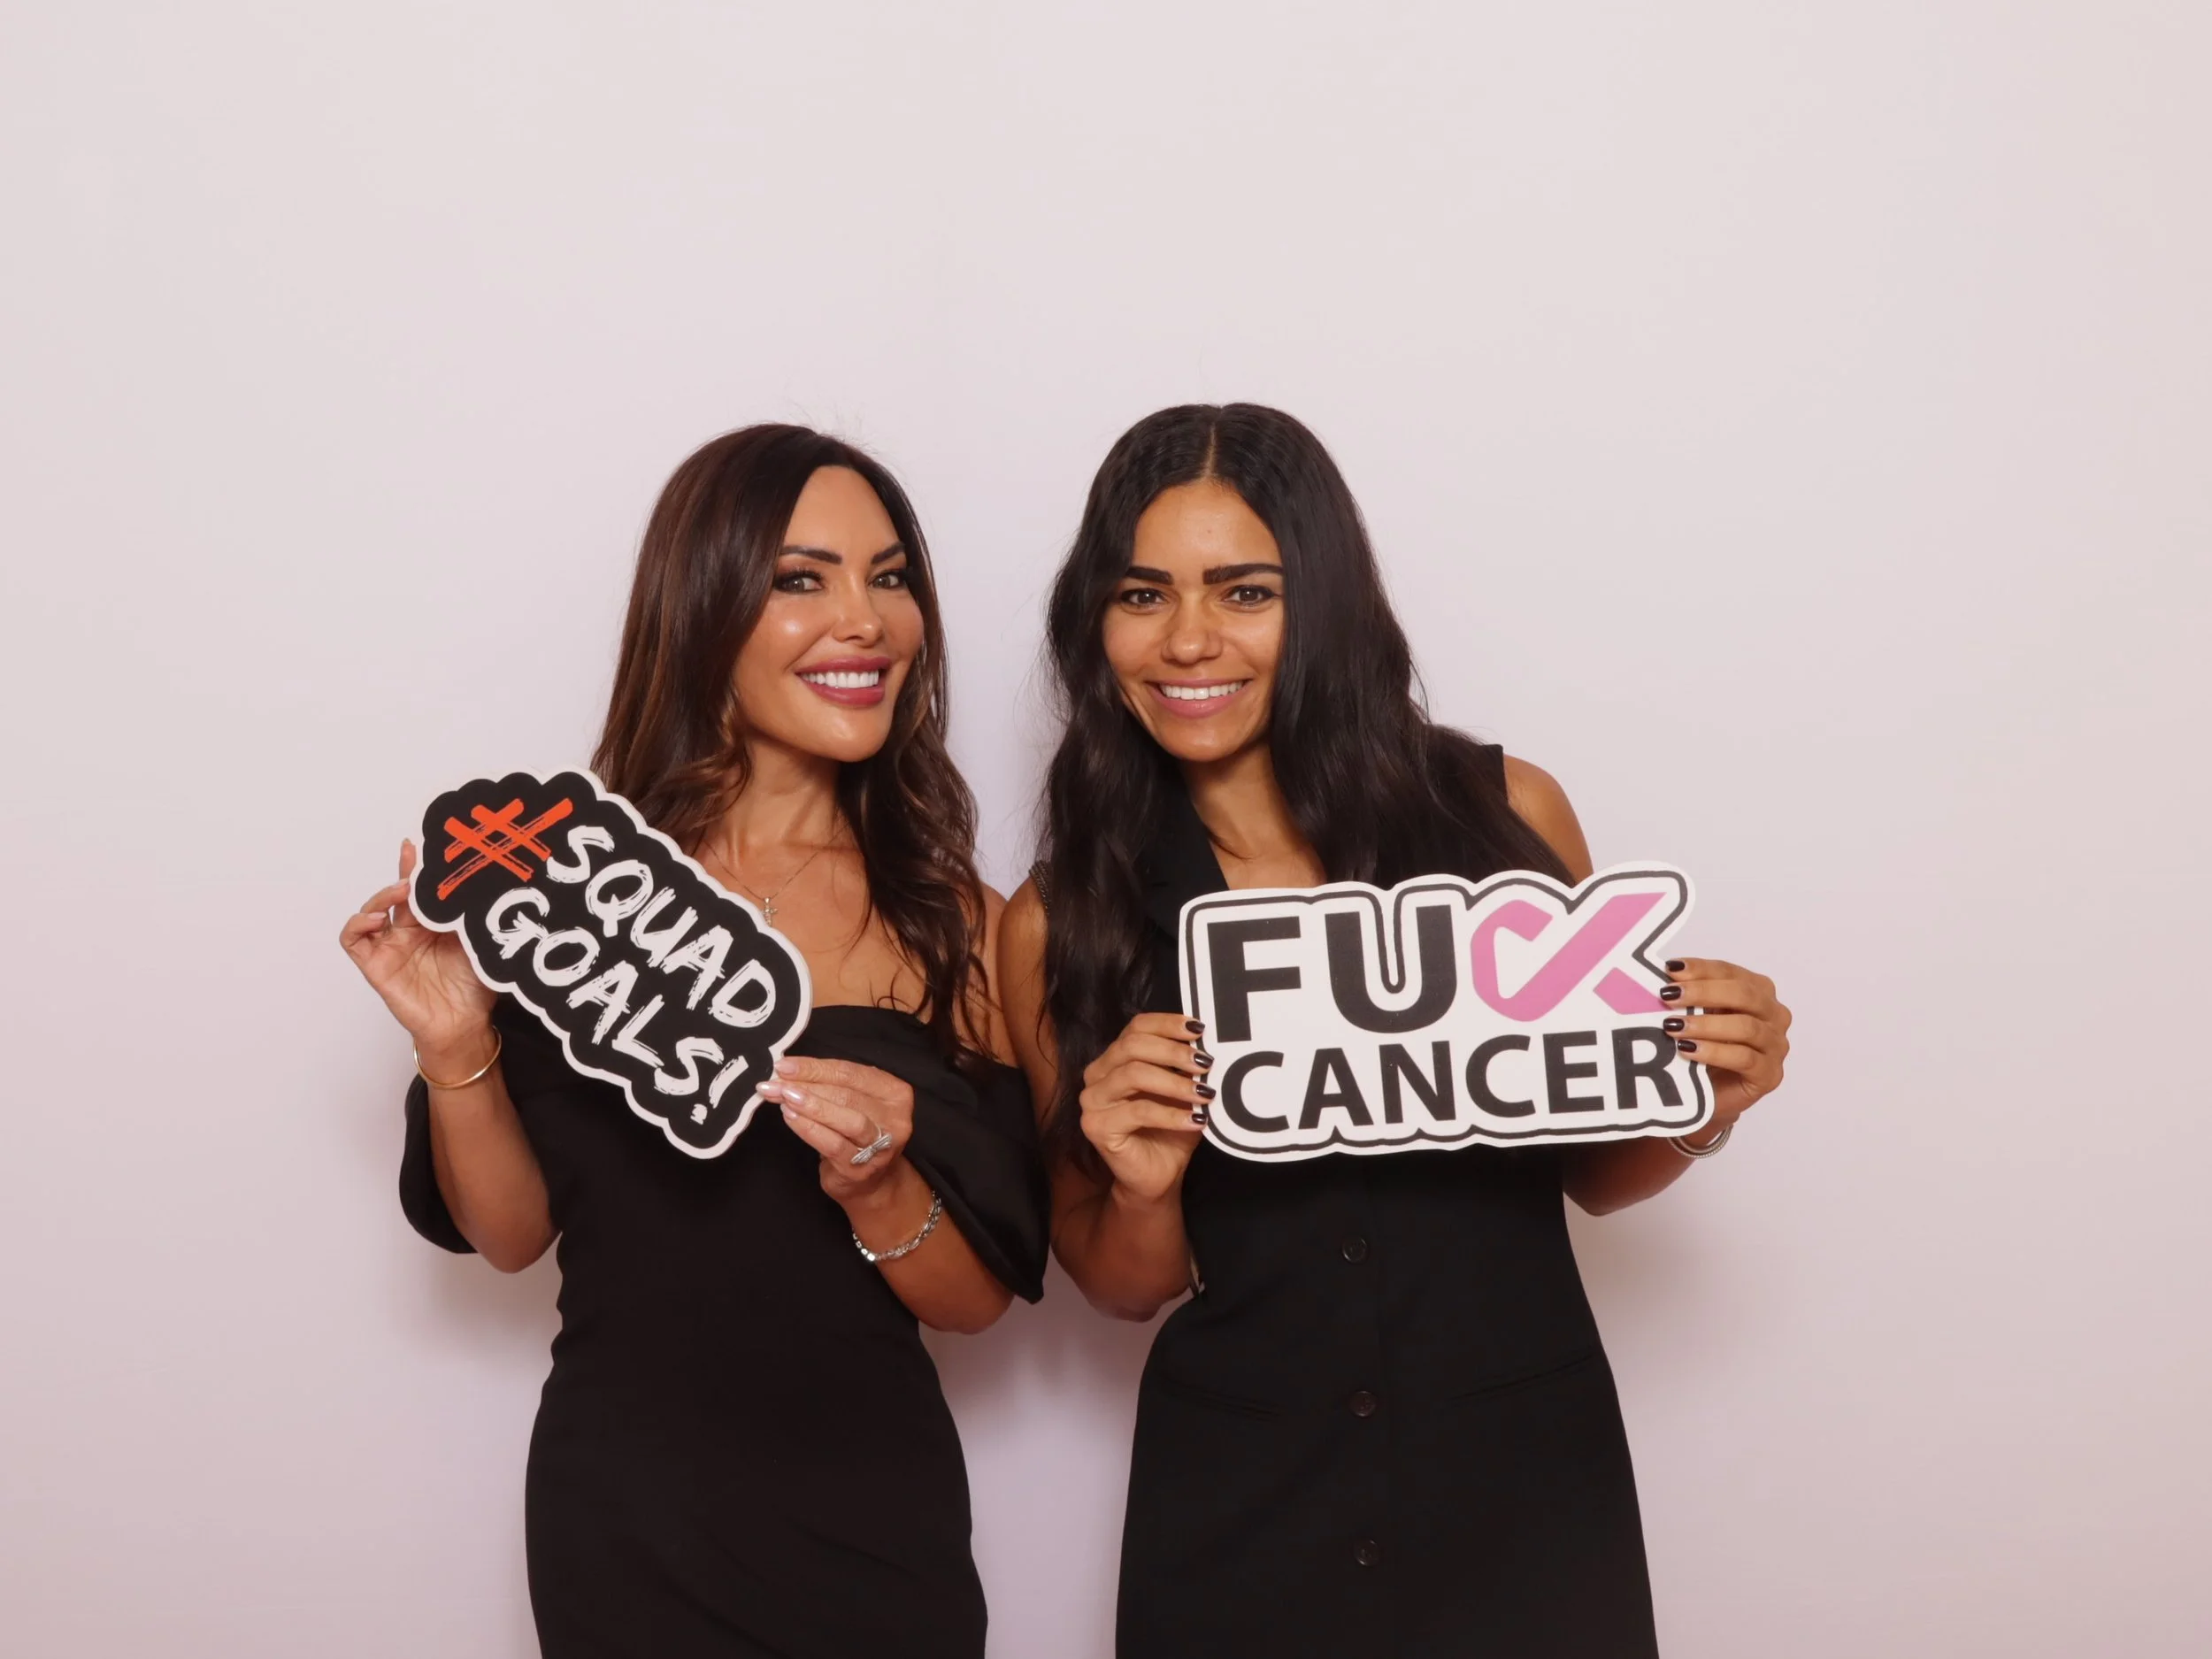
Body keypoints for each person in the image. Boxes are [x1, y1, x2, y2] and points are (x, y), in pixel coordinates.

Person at [999, 403, 1793, 1658]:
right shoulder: (1060, 917)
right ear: (1095, 622)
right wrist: (1144, 1183)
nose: (1189, 637)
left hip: (1523, 1491)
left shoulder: (1503, 815)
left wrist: (1702, 1105)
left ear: (1319, 599)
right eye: (1142, 593)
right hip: (1239, 1503)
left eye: (1243, 590)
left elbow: (1592, 1170)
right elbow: (1119, 1281)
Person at [341, 425, 1048, 1659]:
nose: (866, 619)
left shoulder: (955, 922)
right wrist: (457, 1042)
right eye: (801, 578)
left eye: (889, 576)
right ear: (704, 604)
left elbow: (980, 1302)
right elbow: (509, 1236)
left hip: (875, 1525)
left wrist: (880, 1184)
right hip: (628, 1521)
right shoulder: (566, 882)